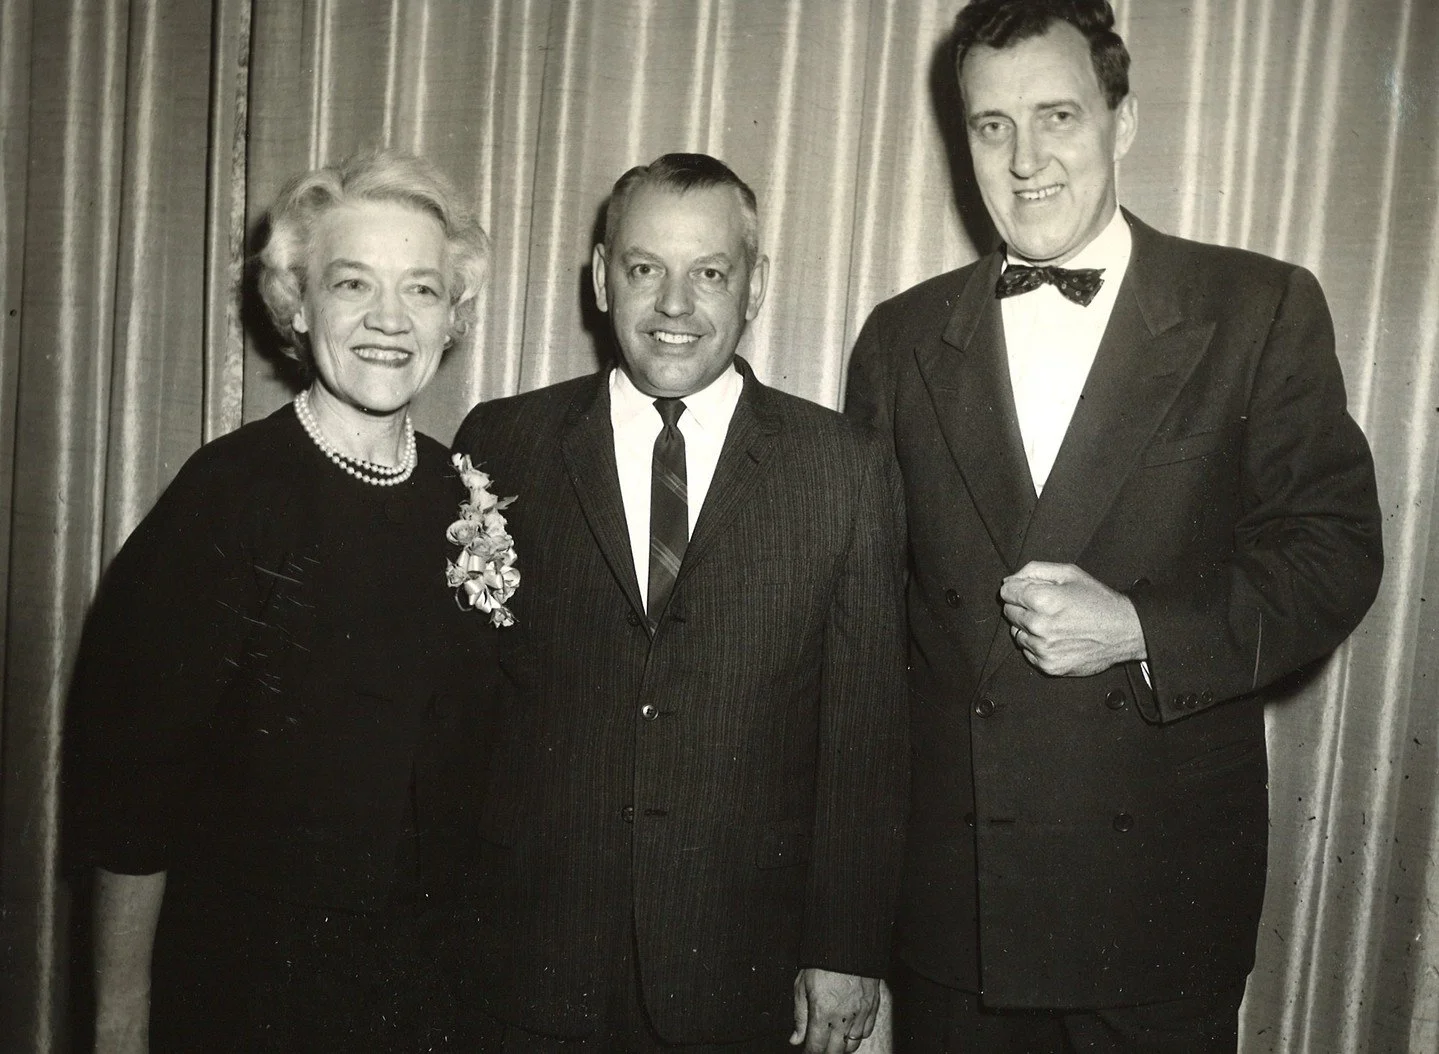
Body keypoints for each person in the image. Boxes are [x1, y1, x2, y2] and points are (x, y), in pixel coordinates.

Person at [844, 1, 1384, 1050]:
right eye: (990, 126)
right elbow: (860, 629)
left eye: (1057, 116)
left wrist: (1142, 628)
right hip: (957, 914)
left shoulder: (1255, 307)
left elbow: (1332, 553)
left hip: (1156, 905)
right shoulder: (899, 338)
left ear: (1121, 121)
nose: (1024, 158)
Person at [453, 152, 908, 1054]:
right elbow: (463, 718)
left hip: (740, 968)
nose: (673, 305)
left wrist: (846, 950)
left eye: (708, 272)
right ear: (599, 278)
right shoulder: (503, 443)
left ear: (755, 285)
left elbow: (867, 733)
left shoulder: (841, 468)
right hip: (530, 962)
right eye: (642, 269)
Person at [64, 148, 505, 1053]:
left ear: (452, 318)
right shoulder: (227, 496)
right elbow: (132, 796)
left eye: (421, 290)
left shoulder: (463, 499)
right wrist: (118, 1024)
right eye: (352, 284)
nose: (389, 319)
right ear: (297, 307)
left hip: (426, 993)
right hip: (251, 989)